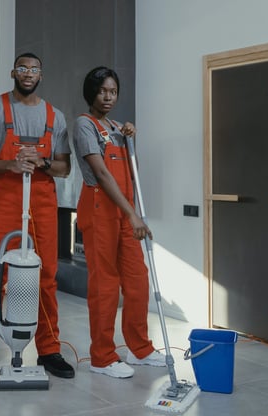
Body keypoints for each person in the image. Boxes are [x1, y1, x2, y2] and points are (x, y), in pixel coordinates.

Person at [0, 53, 75, 381]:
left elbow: (65, 168)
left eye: (34, 69)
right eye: (23, 68)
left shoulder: (55, 116)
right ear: (13, 72)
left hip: (42, 201)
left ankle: (49, 350)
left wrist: (42, 162)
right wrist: (10, 164)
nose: (28, 73)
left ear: (41, 75)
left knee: (47, 275)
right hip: (4, 198)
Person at [72, 66, 169, 378]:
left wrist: (129, 139)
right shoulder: (84, 125)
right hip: (100, 208)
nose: (108, 97)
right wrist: (132, 214)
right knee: (105, 285)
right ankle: (102, 357)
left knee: (137, 280)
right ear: (91, 93)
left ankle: (140, 349)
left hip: (125, 210)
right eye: (102, 91)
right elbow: (101, 173)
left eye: (113, 91)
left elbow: (130, 171)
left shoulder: (116, 127)